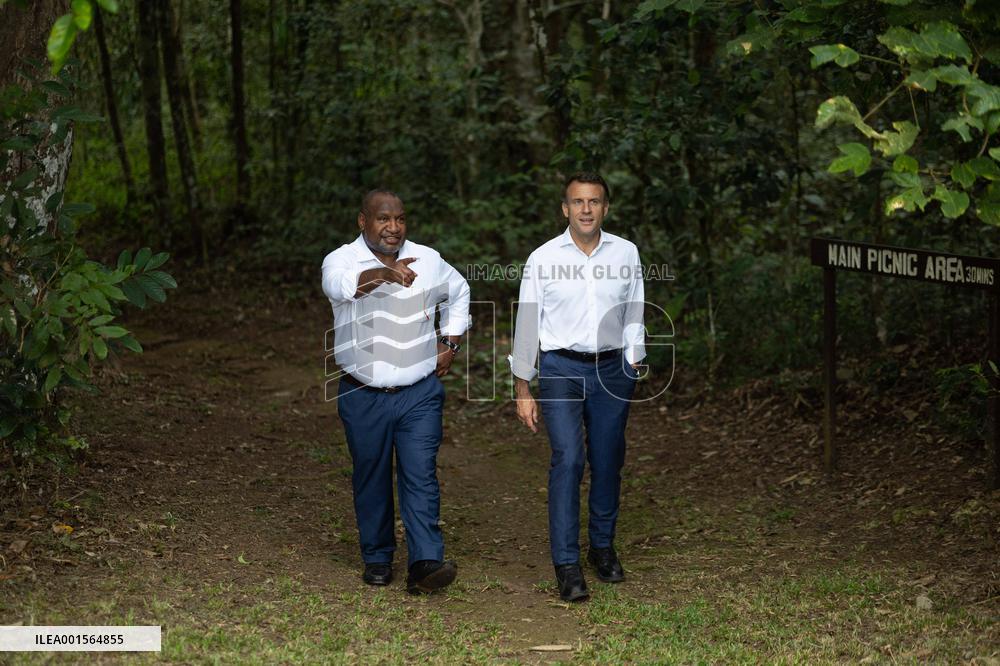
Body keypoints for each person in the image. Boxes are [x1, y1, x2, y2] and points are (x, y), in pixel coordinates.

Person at [321, 189, 470, 594]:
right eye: (384, 219)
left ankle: (425, 561)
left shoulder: (430, 259)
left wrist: (450, 343)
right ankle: (378, 558)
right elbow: (341, 287)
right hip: (362, 392)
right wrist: (386, 274)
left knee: (420, 474)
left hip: (418, 393)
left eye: (400, 219)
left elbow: (459, 293)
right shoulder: (341, 260)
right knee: (370, 475)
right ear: (363, 221)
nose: (394, 227)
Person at [510, 172, 645, 602]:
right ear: (565, 209)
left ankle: (602, 547)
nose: (586, 209)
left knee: (607, 460)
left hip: (611, 371)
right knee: (568, 458)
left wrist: (633, 359)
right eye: (577, 202)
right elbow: (528, 322)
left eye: (594, 201)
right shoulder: (543, 258)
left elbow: (635, 309)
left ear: (605, 207)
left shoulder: (626, 253)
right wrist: (522, 387)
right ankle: (566, 564)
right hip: (561, 370)